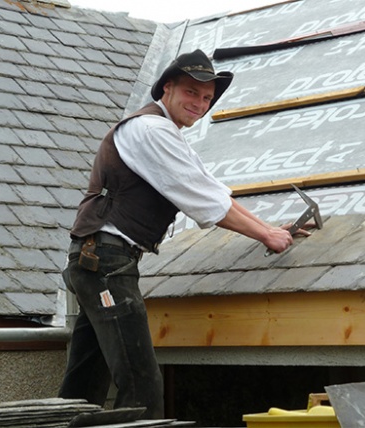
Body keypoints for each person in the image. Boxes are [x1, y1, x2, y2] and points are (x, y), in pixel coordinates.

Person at [58, 49, 310, 417]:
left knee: (83, 383)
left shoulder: (166, 133)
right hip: (106, 263)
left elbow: (214, 192)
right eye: (192, 92)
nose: (200, 103)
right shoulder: (151, 130)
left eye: (207, 98)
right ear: (168, 88)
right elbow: (204, 201)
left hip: (98, 262)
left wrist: (269, 228)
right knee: (141, 383)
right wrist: (265, 237)